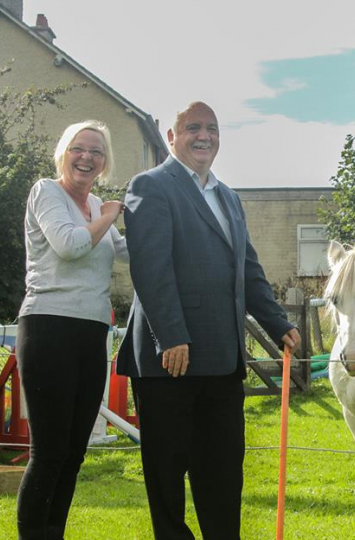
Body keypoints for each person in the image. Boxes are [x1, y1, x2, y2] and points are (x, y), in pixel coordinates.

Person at [118, 101, 300, 540]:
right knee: (166, 473)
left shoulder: (228, 197)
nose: (204, 136)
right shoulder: (150, 185)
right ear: (172, 136)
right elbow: (151, 268)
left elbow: (248, 270)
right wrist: (172, 335)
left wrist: (278, 323)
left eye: (212, 129)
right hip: (168, 361)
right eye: (193, 127)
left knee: (221, 471)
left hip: (222, 359)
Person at [16, 120, 127, 539]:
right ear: (63, 152)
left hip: (90, 332)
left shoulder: (98, 206)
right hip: (48, 327)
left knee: (74, 454)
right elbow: (70, 245)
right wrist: (110, 214)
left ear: (105, 162)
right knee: (48, 453)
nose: (87, 157)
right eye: (79, 148)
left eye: (96, 152)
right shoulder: (47, 192)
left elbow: (128, 253)